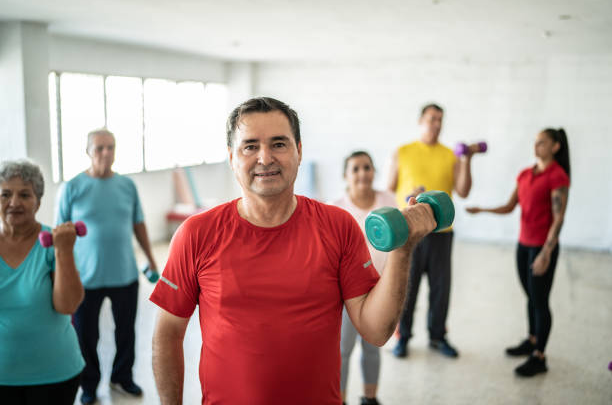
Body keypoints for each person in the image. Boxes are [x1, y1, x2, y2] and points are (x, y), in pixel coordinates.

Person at [150, 97, 438, 405]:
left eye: (279, 144)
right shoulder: (196, 234)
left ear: (298, 151)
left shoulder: (338, 226)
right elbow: (168, 332)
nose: (265, 158)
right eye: (250, 146)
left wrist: (402, 250)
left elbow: (376, 331)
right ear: (232, 157)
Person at [56, 129, 158, 404]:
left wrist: (150, 256)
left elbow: (138, 223)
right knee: (85, 336)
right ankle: (89, 385)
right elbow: (60, 233)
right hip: (84, 278)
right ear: (88, 151)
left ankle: (121, 377)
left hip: (125, 274)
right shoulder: (72, 187)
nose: (105, 153)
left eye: (110, 147)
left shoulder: (127, 186)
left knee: (126, 332)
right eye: (99, 148)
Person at [466, 128, 570, 377]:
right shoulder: (525, 174)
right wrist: (482, 210)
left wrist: (546, 252)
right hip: (523, 245)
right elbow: (510, 206)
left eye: (542, 142)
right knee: (531, 296)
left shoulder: (557, 176)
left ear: (555, 146)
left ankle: (539, 356)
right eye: (535, 142)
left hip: (541, 247)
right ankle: (532, 339)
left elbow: (559, 218)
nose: (537, 146)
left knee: (540, 300)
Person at [387, 103, 478, 358]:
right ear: (420, 121)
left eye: (440, 119)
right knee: (406, 287)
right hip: (410, 233)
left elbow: (464, 191)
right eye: (431, 118)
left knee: (441, 288)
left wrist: (467, 160)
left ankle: (438, 336)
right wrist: (410, 197)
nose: (436, 123)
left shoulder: (450, 155)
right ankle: (402, 337)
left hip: (441, 233)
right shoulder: (402, 152)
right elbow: (389, 189)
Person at [0, 160, 84, 405]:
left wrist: (64, 251)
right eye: (5, 194)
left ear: (38, 201)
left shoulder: (55, 243)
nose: (14, 202)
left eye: (24, 194)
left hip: (54, 374)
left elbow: (67, 305)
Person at [332, 151, 397, 405]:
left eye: (367, 167)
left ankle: (370, 399)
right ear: (346, 176)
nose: (362, 173)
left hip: (379, 290)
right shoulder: (336, 207)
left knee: (372, 347)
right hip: (347, 293)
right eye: (355, 169)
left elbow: (397, 243)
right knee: (343, 350)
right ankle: (341, 400)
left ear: (374, 171)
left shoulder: (388, 200)